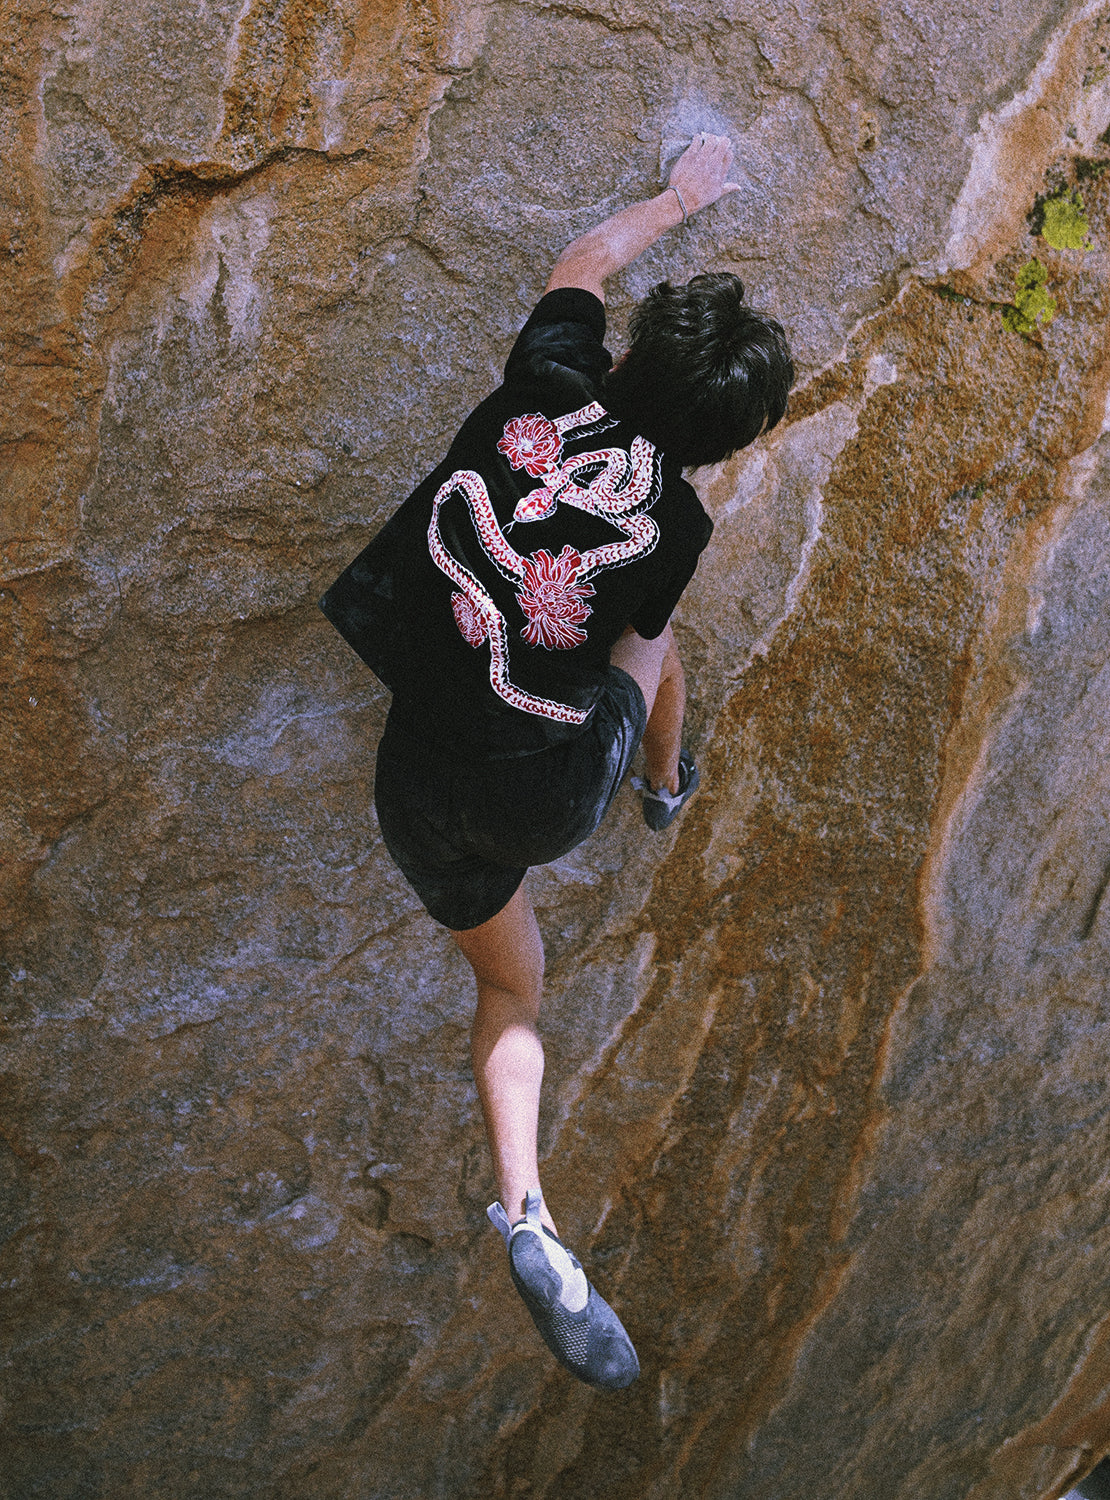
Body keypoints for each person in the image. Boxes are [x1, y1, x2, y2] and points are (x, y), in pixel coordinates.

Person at [320, 132, 793, 1390]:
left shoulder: (548, 381)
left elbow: (582, 257)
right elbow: (636, 619)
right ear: (725, 444)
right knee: (660, 641)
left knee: (507, 983)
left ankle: (531, 1212)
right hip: (546, 792)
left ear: (628, 351)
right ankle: (663, 786)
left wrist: (684, 196)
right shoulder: (675, 520)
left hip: (416, 778)